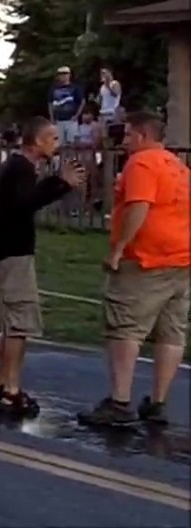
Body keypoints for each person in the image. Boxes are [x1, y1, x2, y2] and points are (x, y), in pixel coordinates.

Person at [78, 112, 190, 428]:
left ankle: (120, 401)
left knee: (125, 326)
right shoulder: (178, 166)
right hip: (181, 259)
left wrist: (118, 250)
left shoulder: (141, 163)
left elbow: (139, 206)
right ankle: (157, 402)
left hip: (145, 259)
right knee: (171, 331)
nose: (125, 141)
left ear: (141, 135)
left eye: (128, 135)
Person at [0, 117, 85, 417]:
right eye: (52, 138)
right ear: (37, 141)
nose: (57, 143)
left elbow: (27, 201)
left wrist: (57, 184)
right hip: (12, 253)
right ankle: (11, 391)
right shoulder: (20, 168)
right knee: (19, 324)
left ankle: (0, 383)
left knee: (12, 323)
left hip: (10, 251)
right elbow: (25, 203)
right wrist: (61, 183)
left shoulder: (20, 168)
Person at [48, 66, 84, 145]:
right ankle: (62, 158)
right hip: (58, 120)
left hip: (71, 119)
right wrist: (52, 117)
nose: (63, 76)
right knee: (59, 144)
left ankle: (71, 158)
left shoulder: (75, 88)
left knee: (72, 143)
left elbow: (82, 102)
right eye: (61, 74)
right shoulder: (54, 89)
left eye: (65, 74)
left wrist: (77, 115)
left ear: (69, 75)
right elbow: (50, 103)